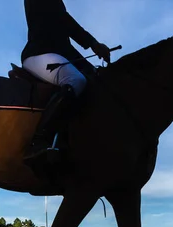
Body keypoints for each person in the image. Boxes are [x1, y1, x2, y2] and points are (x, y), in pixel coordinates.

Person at [21, 0, 111, 164]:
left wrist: (91, 66)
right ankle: (39, 141)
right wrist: (93, 43)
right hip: (39, 54)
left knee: (96, 79)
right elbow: (63, 20)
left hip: (61, 54)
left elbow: (64, 37)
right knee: (75, 80)